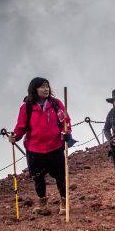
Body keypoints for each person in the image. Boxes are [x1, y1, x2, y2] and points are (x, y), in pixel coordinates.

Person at [10, 77, 71, 216]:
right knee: (37, 178)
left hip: (55, 147)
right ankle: (42, 203)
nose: (46, 89)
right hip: (34, 149)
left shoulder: (56, 104)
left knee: (61, 176)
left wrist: (66, 133)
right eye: (42, 87)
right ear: (34, 89)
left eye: (47, 86)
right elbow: (21, 127)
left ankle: (64, 202)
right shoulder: (27, 107)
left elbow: (65, 121)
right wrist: (15, 137)